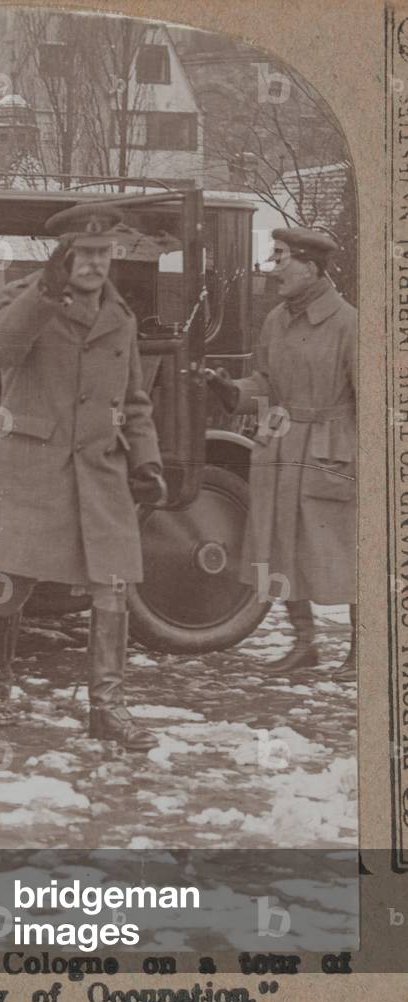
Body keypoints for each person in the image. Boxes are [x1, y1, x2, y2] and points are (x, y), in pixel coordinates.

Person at [0, 203, 165, 751]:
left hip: (100, 468)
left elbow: (134, 399)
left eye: (103, 252)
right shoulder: (26, 296)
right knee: (15, 583)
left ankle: (107, 708)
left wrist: (146, 461)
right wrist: (45, 292)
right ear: (63, 254)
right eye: (84, 253)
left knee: (113, 583)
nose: (95, 263)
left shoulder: (121, 315)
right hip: (32, 466)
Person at [207, 227, 356, 681]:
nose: (274, 271)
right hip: (283, 445)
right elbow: (267, 384)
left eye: (282, 260)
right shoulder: (276, 319)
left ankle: (367, 650)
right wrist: (231, 390)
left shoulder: (350, 323)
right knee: (282, 545)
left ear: (310, 267)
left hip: (333, 453)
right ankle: (305, 644)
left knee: (348, 551)